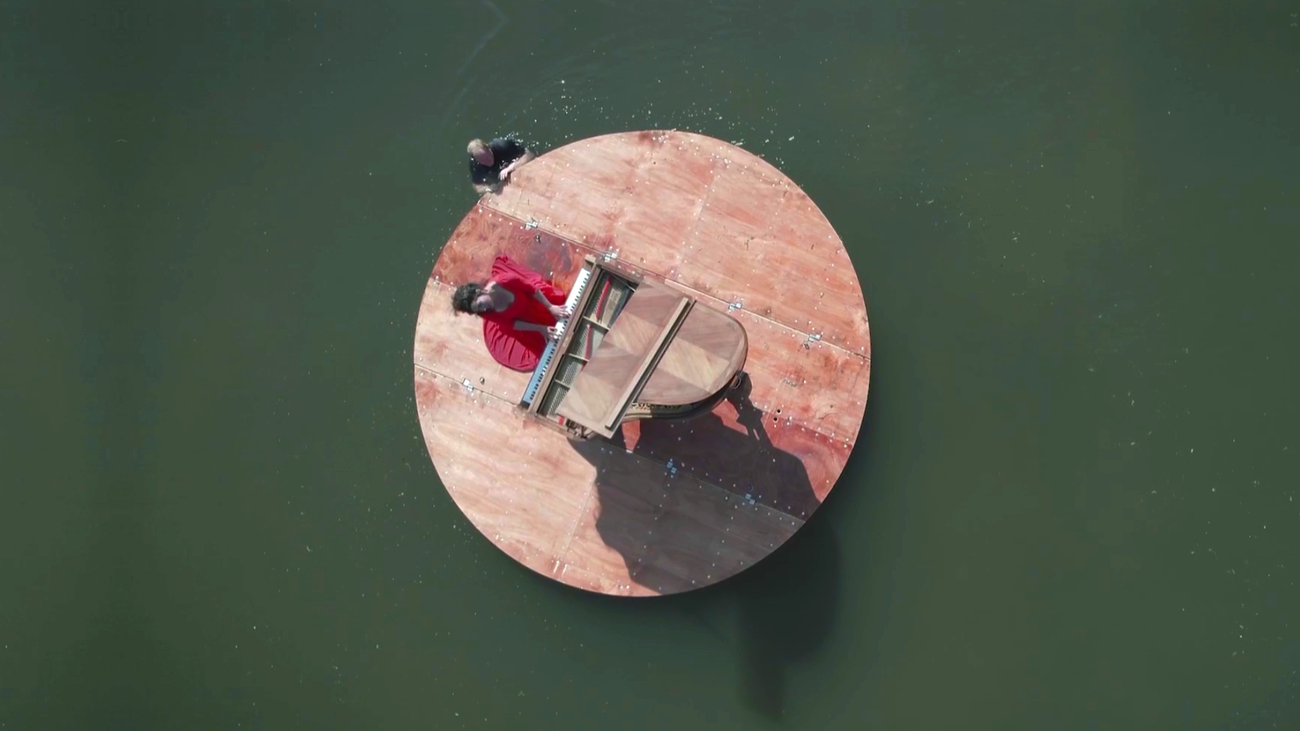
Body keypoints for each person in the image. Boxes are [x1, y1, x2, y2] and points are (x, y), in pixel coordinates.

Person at [451, 255, 572, 371]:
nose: (484, 309)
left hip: (532, 299)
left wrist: (550, 307)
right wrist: (541, 328)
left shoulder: (503, 281)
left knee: (560, 302)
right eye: (478, 310)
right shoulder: (486, 312)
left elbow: (531, 289)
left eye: (480, 305)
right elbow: (513, 324)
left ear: (479, 292)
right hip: (523, 318)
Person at [467, 137, 535, 195]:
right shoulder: (476, 165)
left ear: (488, 148)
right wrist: (487, 188)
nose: (487, 161)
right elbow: (477, 185)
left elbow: (529, 155)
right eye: (482, 160)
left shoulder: (502, 146)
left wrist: (510, 168)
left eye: (487, 156)